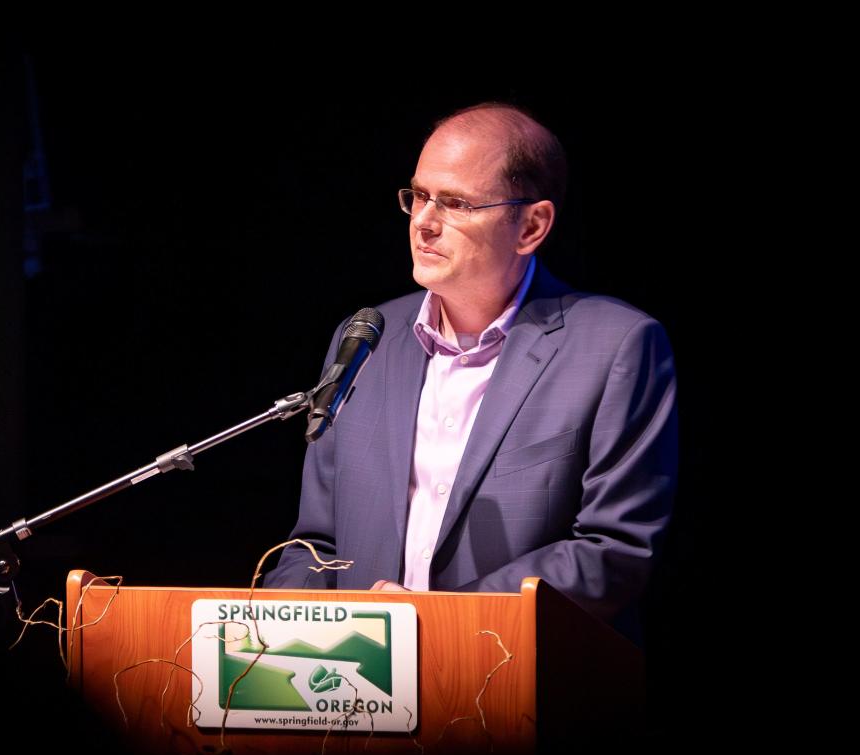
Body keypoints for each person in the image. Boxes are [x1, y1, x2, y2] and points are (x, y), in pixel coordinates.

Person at [262, 103, 677, 632]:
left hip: (519, 685)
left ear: (531, 226)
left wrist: (439, 620)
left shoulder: (616, 347)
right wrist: (279, 629)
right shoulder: (366, 340)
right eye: (419, 196)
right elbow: (316, 543)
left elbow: (613, 551)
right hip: (360, 690)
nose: (424, 223)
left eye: (455, 203)